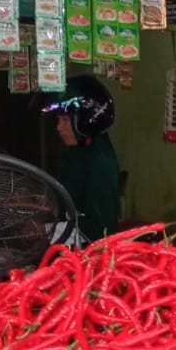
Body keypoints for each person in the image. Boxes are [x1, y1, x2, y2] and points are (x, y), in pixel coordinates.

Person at [41, 76, 122, 242]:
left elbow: (100, 227)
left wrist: (45, 232)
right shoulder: (79, 152)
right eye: (58, 120)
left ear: (86, 122)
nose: (58, 128)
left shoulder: (100, 162)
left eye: (65, 120)